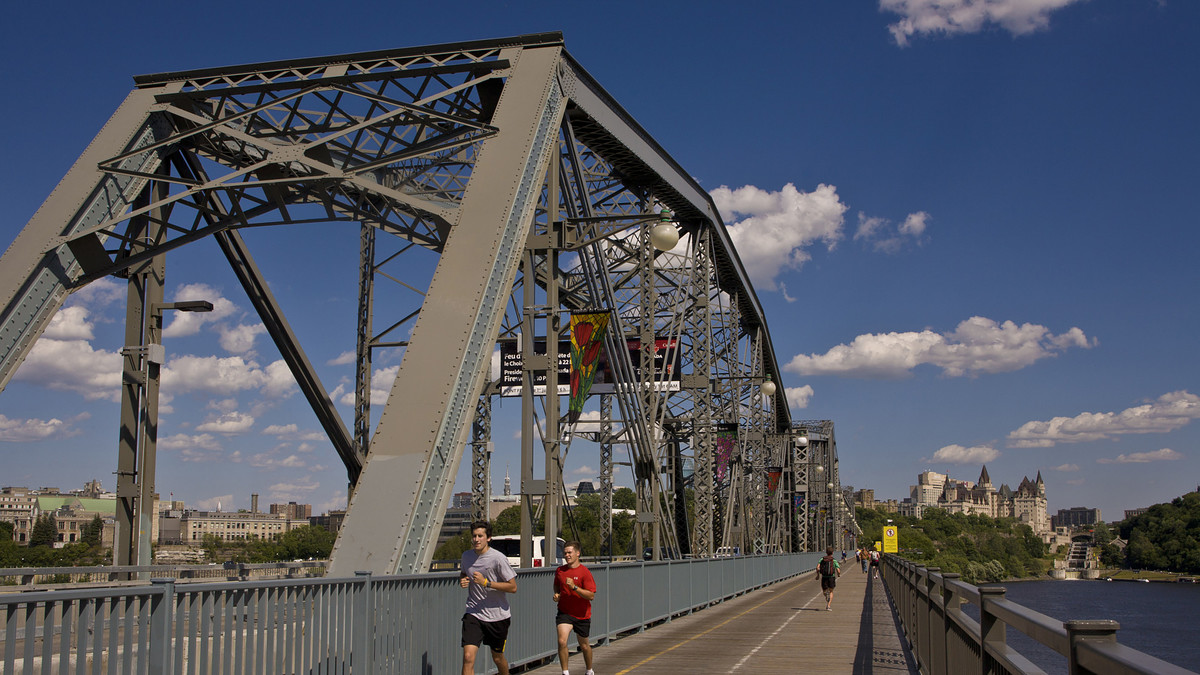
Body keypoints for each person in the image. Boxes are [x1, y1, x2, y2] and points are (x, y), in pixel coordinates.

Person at [460, 520, 518, 675]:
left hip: (497, 616)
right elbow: (464, 573)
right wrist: (463, 579)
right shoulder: (466, 556)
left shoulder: (498, 558)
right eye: (474, 536)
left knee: (497, 658)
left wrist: (487, 583)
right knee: (468, 657)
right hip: (474, 612)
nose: (476, 539)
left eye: (480, 536)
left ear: (488, 538)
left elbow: (513, 587)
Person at [553, 540, 597, 675]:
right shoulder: (560, 570)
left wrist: (575, 587)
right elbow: (557, 585)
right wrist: (557, 594)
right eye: (565, 553)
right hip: (565, 612)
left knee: (584, 645)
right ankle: (565, 672)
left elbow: (590, 595)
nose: (567, 555)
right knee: (562, 641)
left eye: (569, 553)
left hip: (582, 614)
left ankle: (589, 670)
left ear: (577, 553)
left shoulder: (585, 572)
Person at [817, 546, 841, 610]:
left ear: (826, 552)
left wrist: (817, 575)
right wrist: (838, 574)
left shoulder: (822, 559)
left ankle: (825, 594)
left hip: (824, 577)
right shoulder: (834, 560)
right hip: (831, 577)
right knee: (831, 591)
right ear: (832, 553)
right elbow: (838, 570)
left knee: (824, 590)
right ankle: (828, 605)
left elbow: (817, 568)